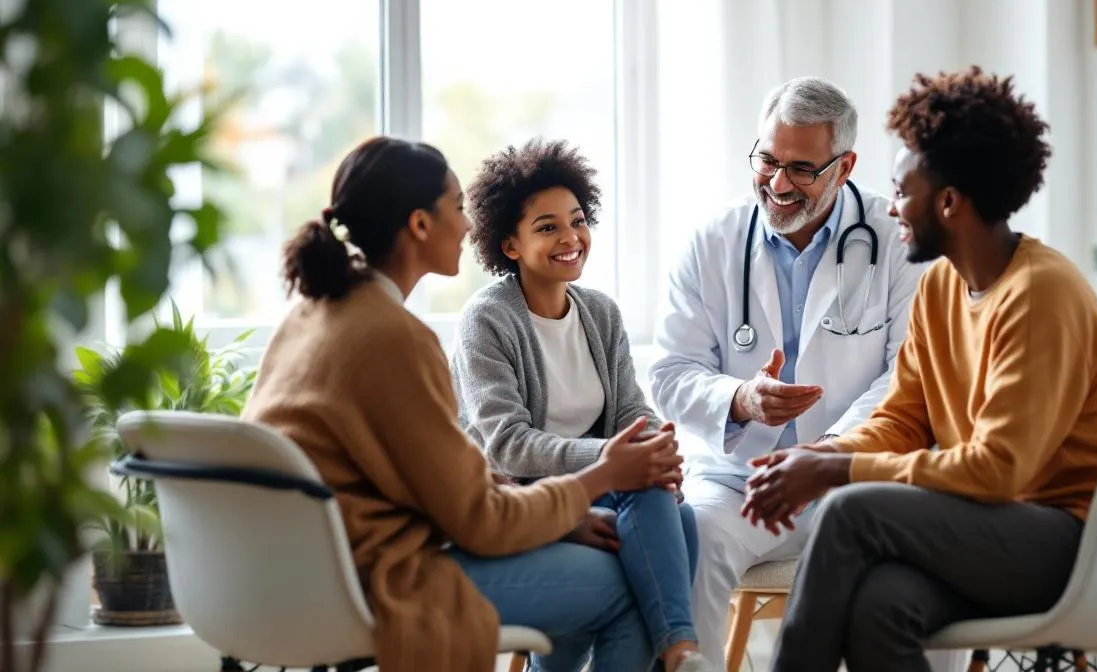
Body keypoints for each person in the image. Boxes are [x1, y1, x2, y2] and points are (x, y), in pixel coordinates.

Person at [739, 67, 1097, 672]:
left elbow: (996, 470)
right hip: (998, 529)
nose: (890, 208)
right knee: (882, 604)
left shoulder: (1039, 294)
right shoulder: (940, 288)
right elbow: (904, 420)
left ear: (949, 202)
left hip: (1082, 539)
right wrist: (819, 456)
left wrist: (835, 470)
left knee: (850, 511)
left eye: (901, 191)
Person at [243, 136, 669, 672]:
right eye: (458, 207)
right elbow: (479, 520)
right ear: (420, 224)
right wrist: (600, 476)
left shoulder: (310, 314)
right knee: (632, 584)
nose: (468, 225)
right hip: (372, 579)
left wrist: (562, 517)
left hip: (279, 576)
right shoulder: (394, 337)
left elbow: (439, 480)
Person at [650, 77, 961, 671]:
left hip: (853, 476)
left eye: (801, 169)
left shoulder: (896, 237)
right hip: (740, 482)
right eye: (768, 160)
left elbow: (912, 372)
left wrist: (830, 453)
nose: (778, 183)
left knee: (911, 573)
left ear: (844, 167)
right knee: (691, 541)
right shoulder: (713, 241)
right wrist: (740, 398)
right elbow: (671, 372)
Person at [451, 138, 710, 672]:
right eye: (547, 228)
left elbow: (631, 412)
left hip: (595, 491)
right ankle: (680, 650)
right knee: (654, 523)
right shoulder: (488, 319)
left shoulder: (600, 313)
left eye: (577, 221)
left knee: (676, 512)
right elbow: (507, 445)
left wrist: (656, 448)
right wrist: (614, 461)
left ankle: (677, 653)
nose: (571, 238)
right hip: (522, 499)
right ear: (510, 245)